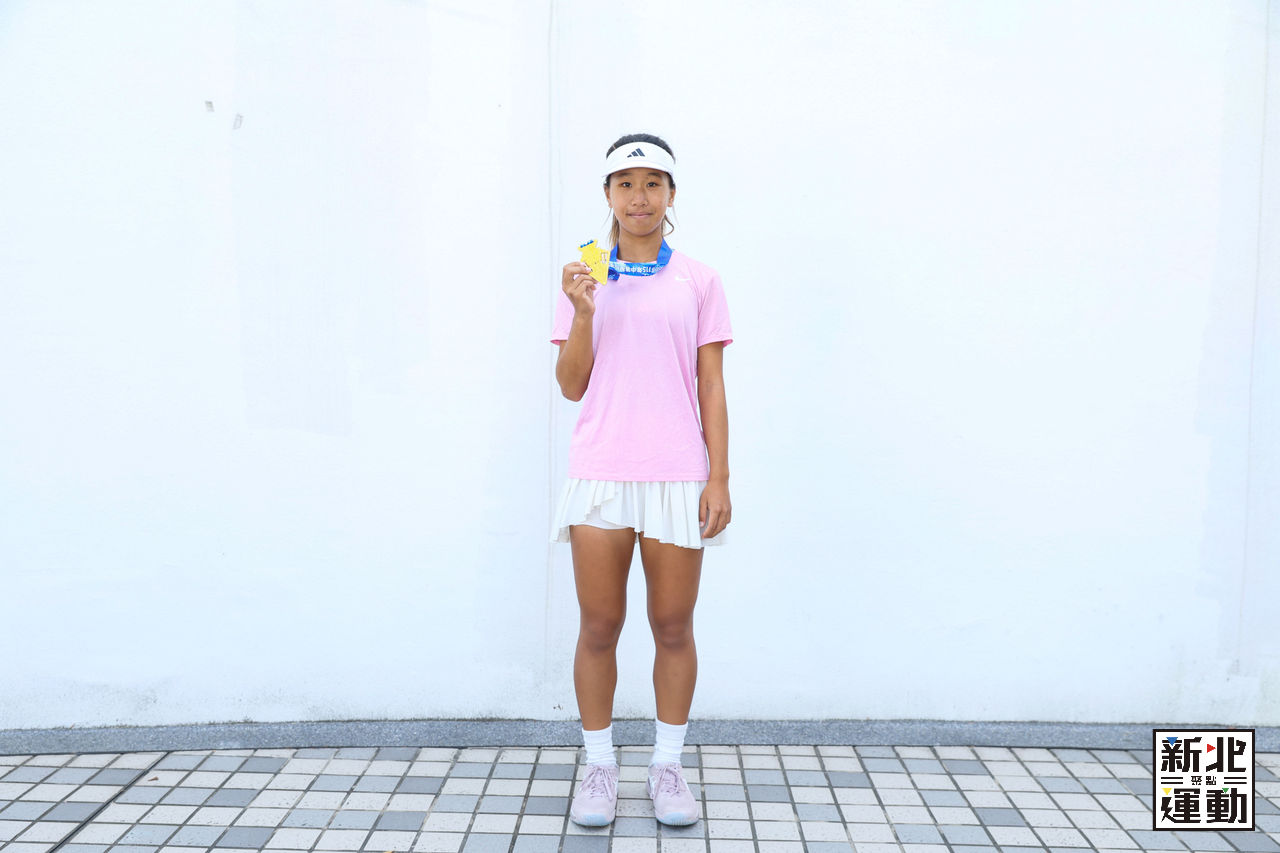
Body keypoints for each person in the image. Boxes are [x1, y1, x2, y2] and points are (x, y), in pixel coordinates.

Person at [548, 132, 734, 828]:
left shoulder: (699, 279)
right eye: (626, 184)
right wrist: (583, 312)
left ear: (671, 194)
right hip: (601, 472)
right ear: (607, 194)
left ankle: (666, 766)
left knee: (673, 625)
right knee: (600, 624)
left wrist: (719, 476)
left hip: (677, 474)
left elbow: (711, 385)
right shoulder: (583, 278)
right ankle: (599, 766)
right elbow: (571, 386)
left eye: (653, 183)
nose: (639, 197)